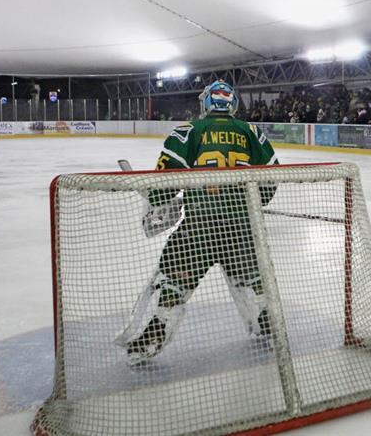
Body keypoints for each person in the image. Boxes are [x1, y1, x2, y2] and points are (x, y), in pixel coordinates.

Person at [118, 80, 279, 364]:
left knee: (174, 280)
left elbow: (164, 184)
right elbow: (269, 183)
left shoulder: (188, 132)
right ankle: (269, 326)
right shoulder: (253, 132)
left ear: (207, 103)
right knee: (254, 281)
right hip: (242, 228)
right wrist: (250, 202)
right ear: (232, 103)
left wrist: (161, 200)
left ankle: (154, 334)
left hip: (199, 228)